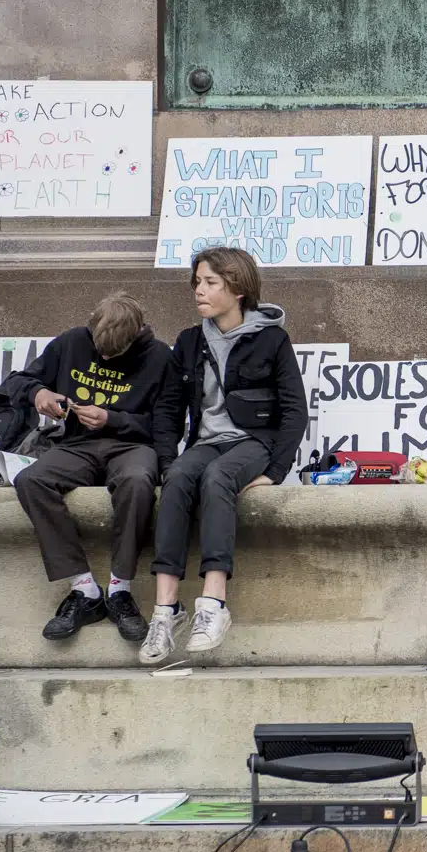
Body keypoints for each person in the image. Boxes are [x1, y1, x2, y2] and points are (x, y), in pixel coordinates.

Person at [142, 247, 309, 665]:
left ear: (237, 289)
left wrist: (274, 471)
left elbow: (294, 410)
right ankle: (165, 611)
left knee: (218, 478)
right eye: (197, 282)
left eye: (210, 282)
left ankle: (212, 605)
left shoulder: (271, 339)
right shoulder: (189, 341)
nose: (199, 291)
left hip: (253, 442)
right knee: (180, 477)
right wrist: (167, 460)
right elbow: (167, 409)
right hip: (205, 442)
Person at [13, 292, 173, 643]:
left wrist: (113, 418)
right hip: (77, 444)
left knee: (137, 480)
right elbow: (19, 381)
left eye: (113, 354)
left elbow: (165, 425)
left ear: (135, 336)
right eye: (99, 350)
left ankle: (120, 589)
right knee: (30, 480)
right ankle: (83, 590)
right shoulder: (72, 341)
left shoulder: (159, 356)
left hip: (132, 445)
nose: (103, 357)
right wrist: (39, 393)